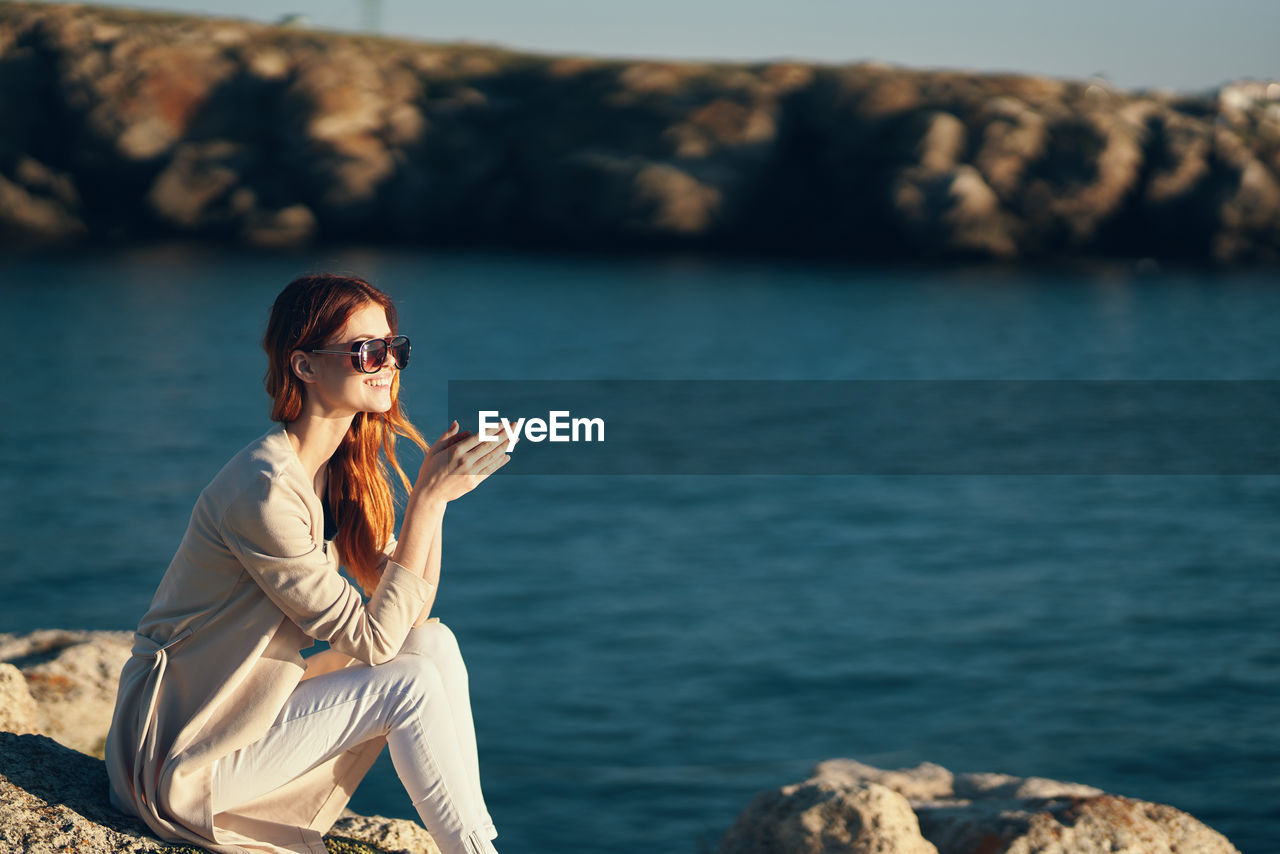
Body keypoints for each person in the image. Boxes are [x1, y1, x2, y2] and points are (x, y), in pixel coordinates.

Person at [105, 273, 511, 854]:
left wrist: (436, 503)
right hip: (183, 751)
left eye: (395, 349)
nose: (386, 364)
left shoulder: (334, 467)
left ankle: (476, 843)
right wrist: (427, 499)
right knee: (410, 682)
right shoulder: (265, 491)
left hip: (241, 714)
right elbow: (375, 644)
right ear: (304, 366)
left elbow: (409, 620)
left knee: (433, 647)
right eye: (367, 351)